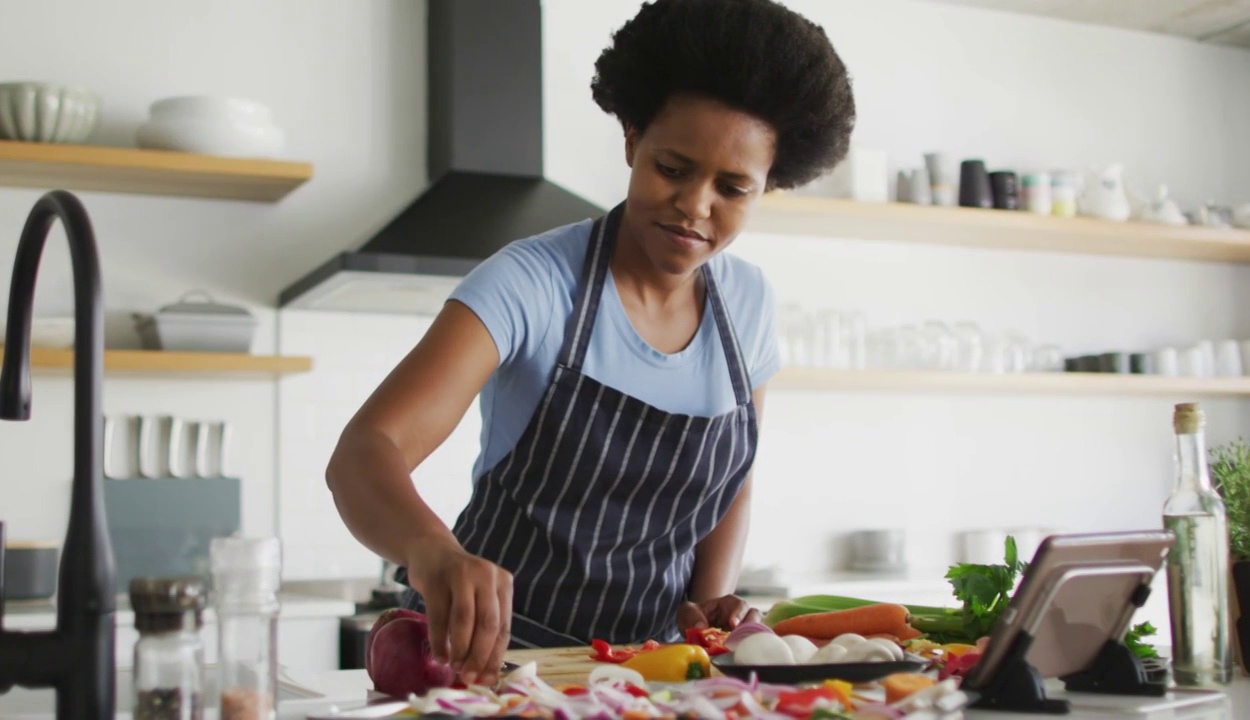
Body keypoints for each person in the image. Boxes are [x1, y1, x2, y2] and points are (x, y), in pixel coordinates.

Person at [327, 0, 855, 688]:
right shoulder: (532, 283)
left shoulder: (747, 304)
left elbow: (732, 490)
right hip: (487, 671)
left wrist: (709, 613)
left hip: (650, 680)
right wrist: (433, 552)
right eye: (673, 166)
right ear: (633, 140)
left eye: (733, 188)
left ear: (768, 187)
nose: (695, 205)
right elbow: (366, 452)